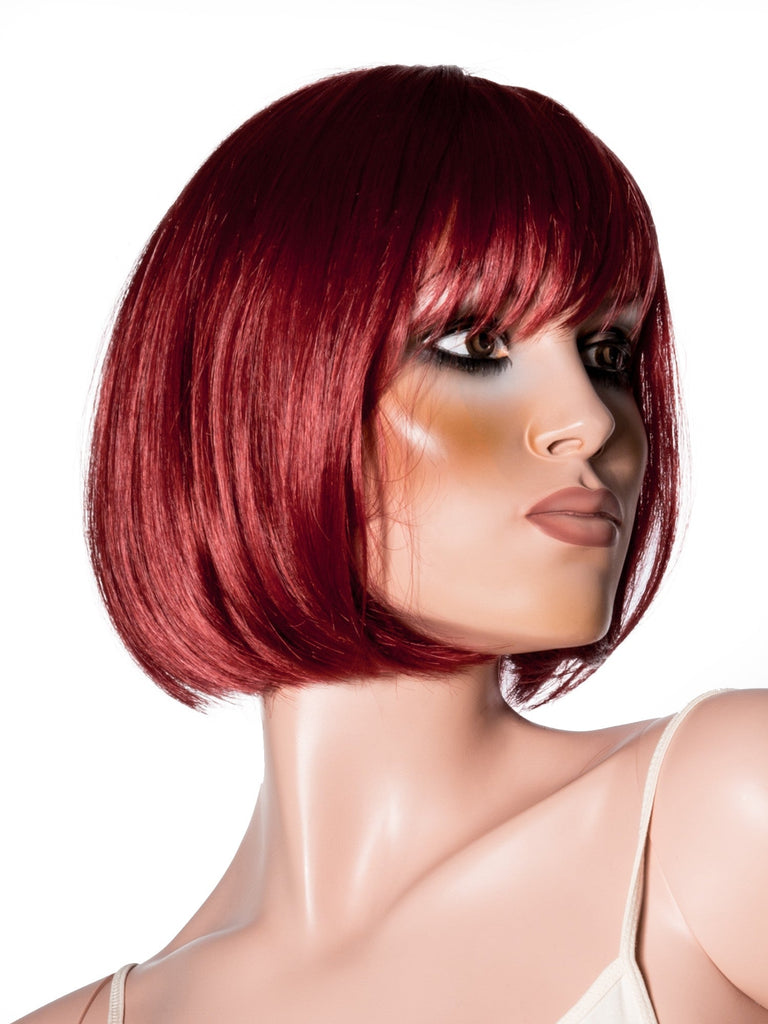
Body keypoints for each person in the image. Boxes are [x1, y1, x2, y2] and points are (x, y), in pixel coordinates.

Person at [17, 64, 768, 1024]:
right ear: (262, 393)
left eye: (607, 354)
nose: (590, 421)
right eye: (474, 346)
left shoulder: (719, 818)